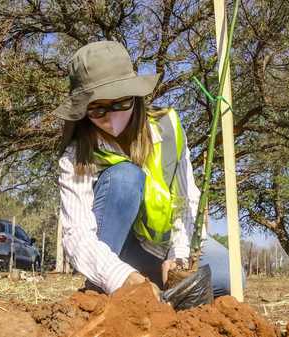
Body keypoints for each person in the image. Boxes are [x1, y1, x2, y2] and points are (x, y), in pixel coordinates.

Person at [53, 41, 235, 297]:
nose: (111, 117)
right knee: (125, 178)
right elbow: (77, 234)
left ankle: (158, 293)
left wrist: (180, 256)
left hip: (162, 248)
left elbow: (186, 201)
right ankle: (105, 290)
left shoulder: (168, 128)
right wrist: (122, 277)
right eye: (97, 108)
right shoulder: (75, 154)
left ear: (135, 97)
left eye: (121, 103)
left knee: (227, 276)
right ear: (83, 110)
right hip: (114, 252)